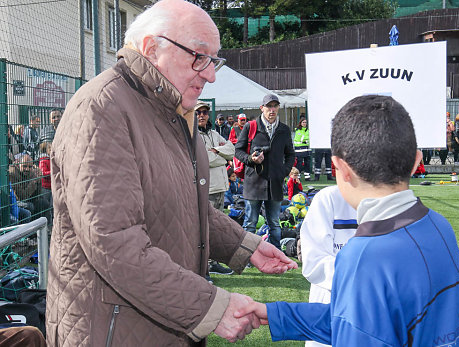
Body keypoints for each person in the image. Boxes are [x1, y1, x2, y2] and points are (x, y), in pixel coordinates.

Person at [45, 1, 297, 346]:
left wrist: (244, 245)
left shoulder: (175, 111)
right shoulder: (102, 109)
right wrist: (211, 306)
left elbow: (186, 205)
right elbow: (113, 241)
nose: (210, 74)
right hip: (112, 330)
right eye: (199, 57)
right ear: (151, 48)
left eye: (214, 61)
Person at [235, 95, 459, 346]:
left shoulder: (362, 257)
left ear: (340, 169)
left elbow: (357, 330)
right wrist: (278, 315)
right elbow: (367, 322)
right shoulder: (440, 226)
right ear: (417, 161)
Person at [235, 94, 295, 249]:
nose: (272, 110)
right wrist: (250, 159)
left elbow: (290, 154)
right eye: (269, 106)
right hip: (254, 183)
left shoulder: (284, 130)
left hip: (275, 182)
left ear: (278, 108)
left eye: (275, 106)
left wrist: (284, 171)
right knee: (250, 223)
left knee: (275, 223)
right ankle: (248, 257)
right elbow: (238, 151)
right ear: (262, 108)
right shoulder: (250, 126)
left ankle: (276, 255)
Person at [300, 185, 357, 347]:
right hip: (329, 306)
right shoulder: (329, 198)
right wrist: (366, 284)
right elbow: (315, 262)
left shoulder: (396, 204)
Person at [196, 101, 236, 277]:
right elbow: (203, 159)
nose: (202, 115)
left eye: (204, 112)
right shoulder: (191, 135)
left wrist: (216, 152)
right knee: (205, 229)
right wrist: (221, 155)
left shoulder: (213, 133)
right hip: (207, 188)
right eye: (198, 112)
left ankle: (212, 263)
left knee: (216, 228)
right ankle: (204, 265)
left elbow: (232, 150)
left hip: (220, 186)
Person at [9, 154, 50, 225]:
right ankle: (30, 231)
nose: (27, 169)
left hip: (28, 198)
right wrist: (34, 182)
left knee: (43, 202)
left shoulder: (32, 172)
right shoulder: (12, 173)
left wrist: (39, 181)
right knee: (30, 206)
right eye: (24, 166)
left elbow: (37, 194)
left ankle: (41, 229)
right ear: (19, 164)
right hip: (16, 201)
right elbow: (21, 197)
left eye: (30, 167)